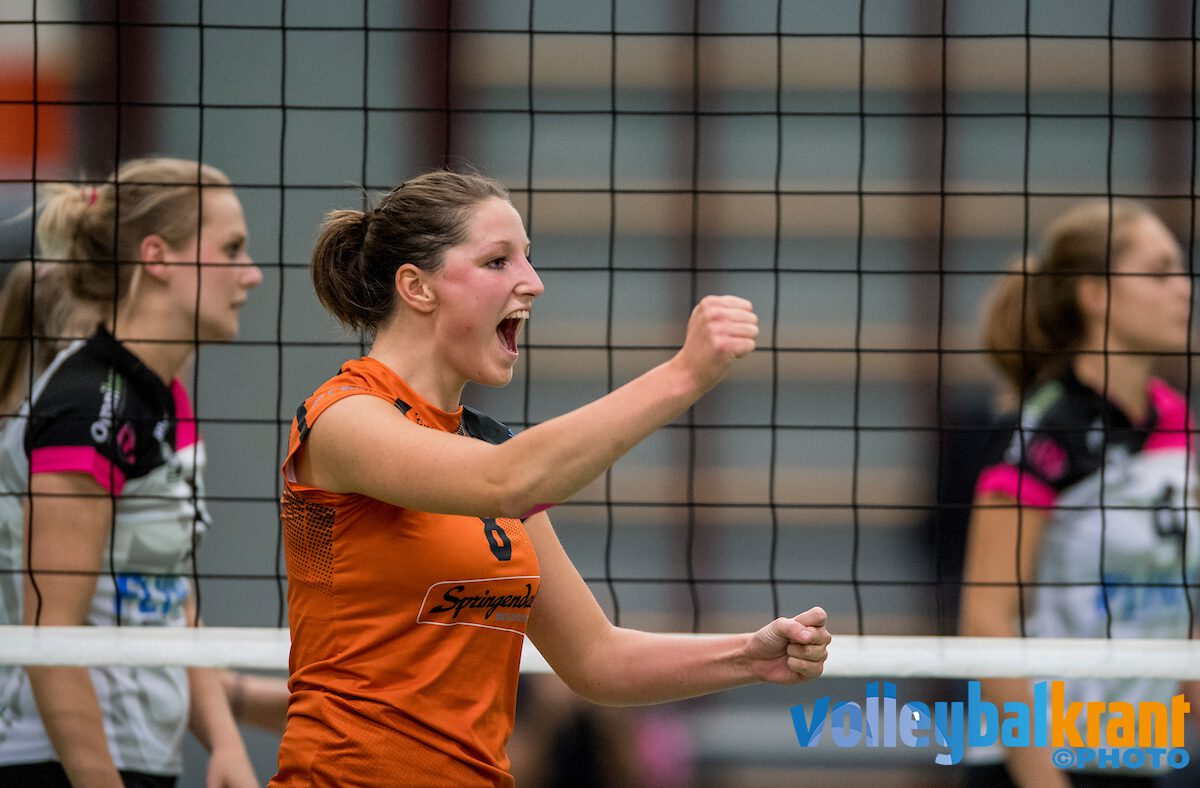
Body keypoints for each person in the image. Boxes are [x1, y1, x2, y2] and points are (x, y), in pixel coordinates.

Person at [270, 169, 831, 787]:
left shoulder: (485, 441)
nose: (533, 282)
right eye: (498, 261)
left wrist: (747, 657)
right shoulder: (343, 417)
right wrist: (683, 375)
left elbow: (596, 659)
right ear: (417, 287)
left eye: (528, 258)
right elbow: (505, 482)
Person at [0, 158, 266, 787]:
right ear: (158, 257)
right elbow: (51, 640)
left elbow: (170, 593)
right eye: (231, 249)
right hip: (58, 761)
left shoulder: (165, 397)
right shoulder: (88, 407)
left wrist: (225, 743)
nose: (253, 273)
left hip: (142, 754)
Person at [958, 200, 1200, 787]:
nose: (1184, 288)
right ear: (1095, 294)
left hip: (1137, 755)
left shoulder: (1176, 420)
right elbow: (985, 623)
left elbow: (1182, 604)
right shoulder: (1045, 430)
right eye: (1160, 272)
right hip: (1039, 764)